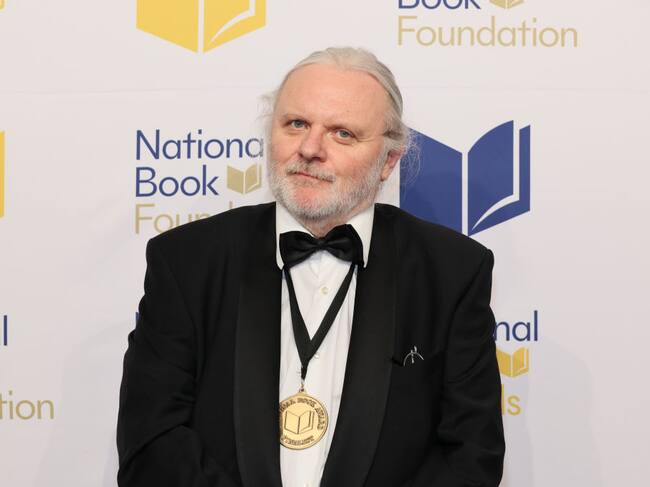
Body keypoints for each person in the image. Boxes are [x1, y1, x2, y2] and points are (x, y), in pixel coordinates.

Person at [117, 47, 505, 487]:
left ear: (388, 161)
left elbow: (471, 457)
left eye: (342, 133)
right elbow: (151, 443)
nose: (310, 149)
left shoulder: (452, 272)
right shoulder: (186, 261)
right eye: (296, 124)